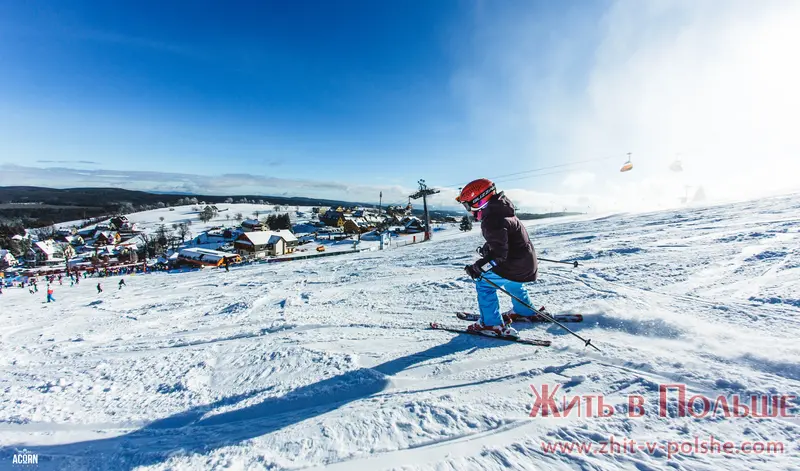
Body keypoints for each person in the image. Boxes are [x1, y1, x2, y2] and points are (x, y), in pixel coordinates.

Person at [457, 178, 539, 338]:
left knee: (485, 284)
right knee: (512, 282)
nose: (469, 211)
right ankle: (525, 311)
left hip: (513, 265)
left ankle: (491, 324)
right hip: (526, 263)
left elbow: (499, 256)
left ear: (479, 200)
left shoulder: (492, 220)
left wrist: (478, 268)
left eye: (468, 205)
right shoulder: (503, 210)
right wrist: (489, 249)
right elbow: (505, 241)